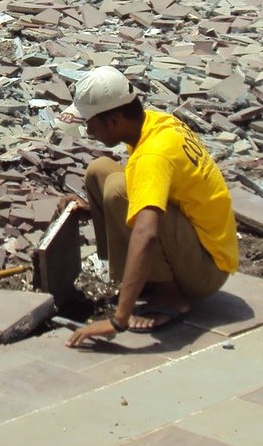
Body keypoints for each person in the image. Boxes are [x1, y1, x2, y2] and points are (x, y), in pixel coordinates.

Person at [61, 67, 239, 347]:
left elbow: (147, 232)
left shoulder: (153, 155)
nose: (88, 130)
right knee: (99, 171)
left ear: (115, 120)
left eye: (91, 122)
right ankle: (135, 277)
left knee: (118, 192)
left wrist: (117, 320)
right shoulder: (156, 122)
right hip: (195, 243)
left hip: (207, 269)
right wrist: (90, 209)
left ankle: (170, 295)